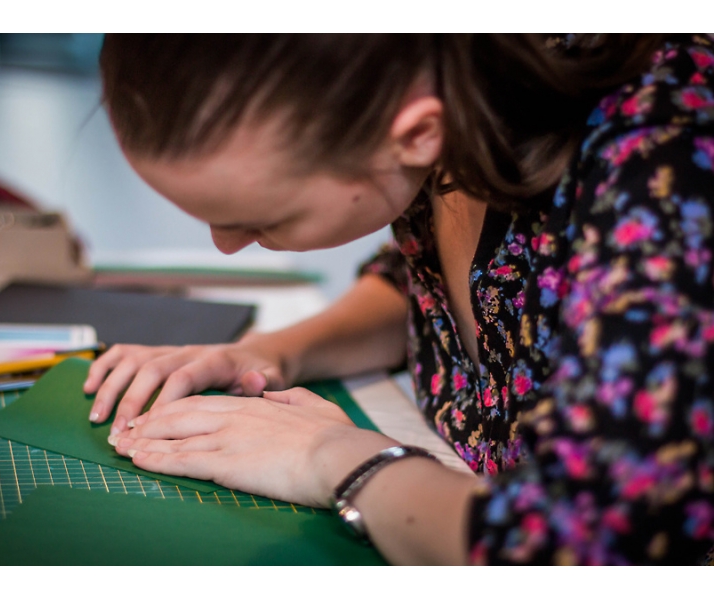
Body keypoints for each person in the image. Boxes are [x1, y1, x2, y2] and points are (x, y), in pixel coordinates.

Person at [85, 34, 714, 565]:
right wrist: (268, 353)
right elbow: (456, 291)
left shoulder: (665, 152)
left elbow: (587, 542)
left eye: (261, 219)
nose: (225, 247)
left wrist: (336, 458)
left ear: (416, 134)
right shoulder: (451, 96)